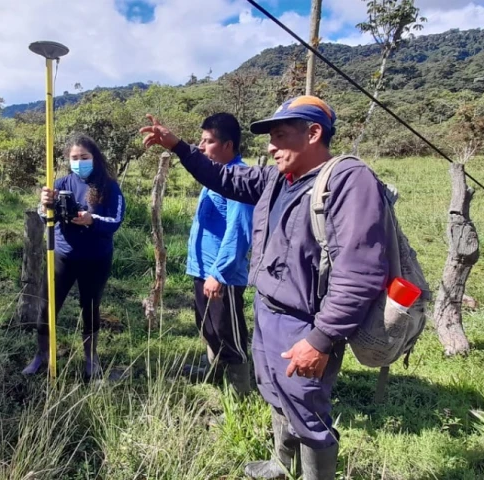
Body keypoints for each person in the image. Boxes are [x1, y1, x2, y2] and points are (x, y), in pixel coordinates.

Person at [140, 96, 390, 479]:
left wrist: (321, 338)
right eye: (270, 137)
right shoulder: (276, 178)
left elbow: (360, 272)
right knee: (275, 391)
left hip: (306, 321)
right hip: (268, 307)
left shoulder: (347, 181)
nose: (271, 146)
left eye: (280, 135)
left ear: (313, 133)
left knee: (306, 405)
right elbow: (223, 177)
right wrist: (178, 146)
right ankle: (280, 463)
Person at [22, 134, 126, 381]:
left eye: (84, 157)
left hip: (96, 258)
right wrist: (44, 205)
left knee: (90, 308)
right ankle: (42, 355)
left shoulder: (108, 186)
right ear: (68, 160)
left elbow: (116, 220)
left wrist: (92, 220)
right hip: (62, 255)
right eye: (74, 158)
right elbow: (46, 218)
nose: (79, 162)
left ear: (95, 158)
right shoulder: (60, 184)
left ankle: (91, 358)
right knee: (48, 307)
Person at [183, 113, 254, 396]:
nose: (201, 146)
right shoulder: (216, 174)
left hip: (221, 275)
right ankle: (214, 373)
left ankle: (241, 396)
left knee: (229, 333)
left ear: (228, 145)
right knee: (208, 327)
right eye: (200, 140)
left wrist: (219, 274)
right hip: (203, 270)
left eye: (208, 141)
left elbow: (239, 232)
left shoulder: (238, 179)